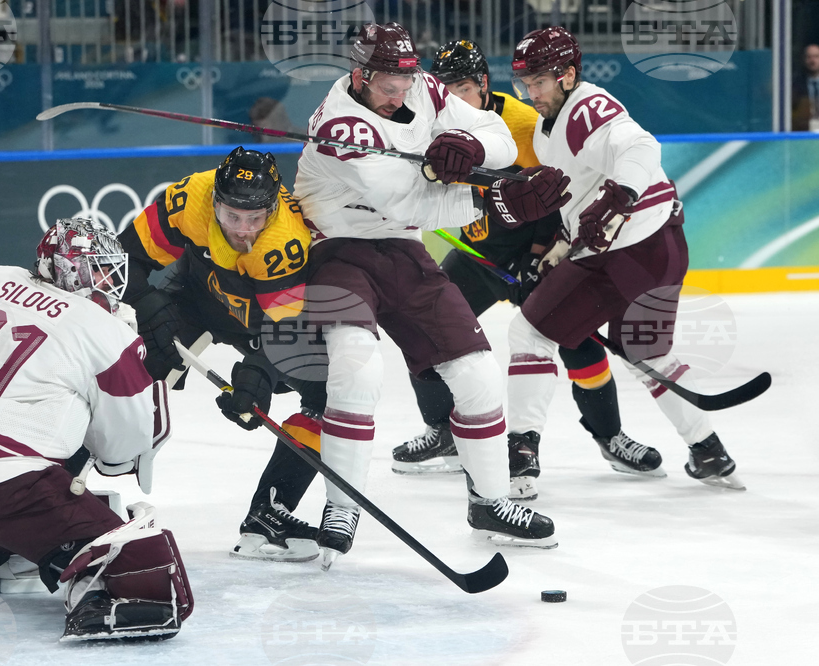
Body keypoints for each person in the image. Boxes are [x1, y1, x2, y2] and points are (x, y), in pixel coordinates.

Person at [294, 22, 568, 567]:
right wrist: (496, 195)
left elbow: (493, 128)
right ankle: (342, 503)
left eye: (404, 81)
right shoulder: (338, 124)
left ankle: (489, 501)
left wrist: (466, 145)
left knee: (478, 375)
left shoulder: (422, 86)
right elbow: (407, 201)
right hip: (336, 249)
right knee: (357, 367)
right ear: (359, 74)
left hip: (399, 249)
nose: (400, 95)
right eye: (387, 86)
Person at [393, 39, 664, 502]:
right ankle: (443, 431)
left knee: (575, 343)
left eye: (462, 87)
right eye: (445, 89)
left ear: (482, 84)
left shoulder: (524, 124)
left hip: (533, 253)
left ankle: (611, 437)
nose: (453, 99)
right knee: (423, 328)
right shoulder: (429, 128)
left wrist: (544, 250)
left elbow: (562, 195)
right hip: (480, 254)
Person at [493, 26, 743, 492]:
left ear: (568, 75)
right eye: (526, 84)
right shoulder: (550, 129)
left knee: (529, 332)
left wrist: (619, 195)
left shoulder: (588, 106)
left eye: (540, 82)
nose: (532, 92)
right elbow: (578, 204)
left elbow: (642, 147)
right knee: (649, 354)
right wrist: (554, 255)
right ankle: (708, 449)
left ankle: (520, 455)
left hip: (630, 251)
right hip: (658, 248)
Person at [0, 217, 192, 641]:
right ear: (67, 270)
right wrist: (141, 374)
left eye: (111, 271)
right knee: (144, 566)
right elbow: (125, 449)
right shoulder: (100, 327)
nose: (108, 282)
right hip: (3, 486)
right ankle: (82, 587)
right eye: (96, 270)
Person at [118, 146, 327, 563]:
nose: (244, 230)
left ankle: (269, 512)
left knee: (331, 396)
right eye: (233, 216)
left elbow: (286, 328)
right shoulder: (191, 196)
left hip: (265, 327)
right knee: (124, 372)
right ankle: (47, 483)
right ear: (215, 201)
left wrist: (259, 378)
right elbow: (125, 259)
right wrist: (147, 304)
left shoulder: (284, 240)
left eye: (255, 218)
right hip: (195, 300)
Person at [792, 44, 819, 132]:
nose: (812, 61)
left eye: (816, 57)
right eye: (809, 57)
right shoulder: (795, 84)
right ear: (804, 60)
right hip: (803, 132)